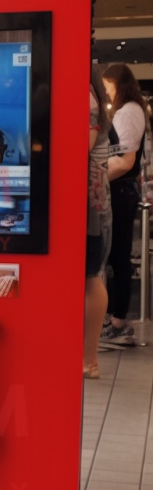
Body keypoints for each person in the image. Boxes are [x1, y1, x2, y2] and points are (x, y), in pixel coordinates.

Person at [101, 63, 149, 347]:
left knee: (117, 255)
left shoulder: (128, 112)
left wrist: (95, 177)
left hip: (119, 191)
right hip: (120, 190)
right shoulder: (130, 110)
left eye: (109, 86)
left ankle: (118, 319)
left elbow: (124, 160)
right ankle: (114, 316)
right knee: (115, 256)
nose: (107, 92)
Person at [84, 68, 112, 378]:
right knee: (90, 277)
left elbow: (81, 149)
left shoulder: (86, 99)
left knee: (91, 276)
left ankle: (88, 358)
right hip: (92, 203)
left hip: (89, 207)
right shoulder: (92, 97)